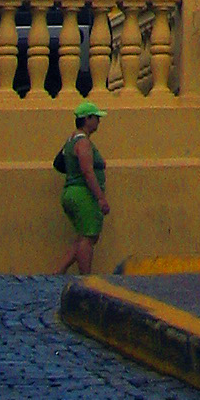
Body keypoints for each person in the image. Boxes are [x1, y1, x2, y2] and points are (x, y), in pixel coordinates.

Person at [58, 101, 112, 275]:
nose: (98, 122)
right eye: (96, 118)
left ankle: (59, 272)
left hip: (72, 192)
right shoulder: (83, 142)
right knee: (88, 238)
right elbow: (87, 171)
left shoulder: (71, 140)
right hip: (82, 193)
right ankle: (85, 277)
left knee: (84, 236)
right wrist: (100, 197)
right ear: (87, 119)